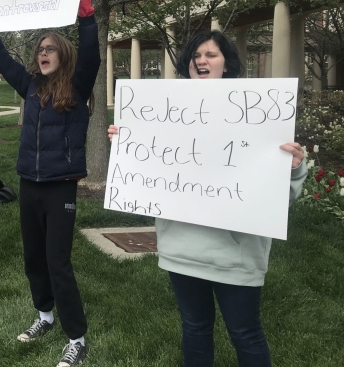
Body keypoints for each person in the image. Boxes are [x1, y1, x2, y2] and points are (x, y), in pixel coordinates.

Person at [108, 30, 308, 367]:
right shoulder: (164, 112)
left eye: (211, 54)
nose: (201, 61)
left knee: (245, 332)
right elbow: (150, 173)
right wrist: (128, 142)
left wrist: (293, 168)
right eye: (195, 55)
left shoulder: (258, 113)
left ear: (227, 64)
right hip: (182, 249)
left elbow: (278, 198)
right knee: (195, 328)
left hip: (236, 254)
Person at [0, 0, 99, 367]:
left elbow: (92, 52)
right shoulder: (28, 86)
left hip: (60, 187)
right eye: (39, 49)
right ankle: (44, 315)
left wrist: (85, 10)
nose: (43, 53)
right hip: (29, 183)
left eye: (50, 48)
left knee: (58, 261)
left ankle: (76, 337)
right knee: (33, 257)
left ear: (62, 54)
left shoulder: (78, 86)